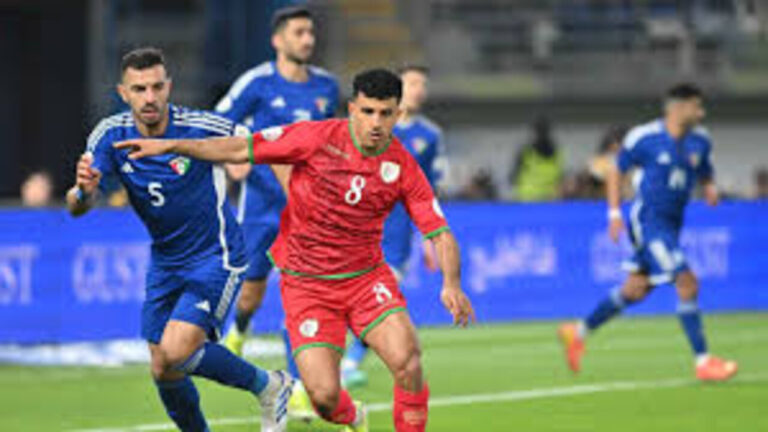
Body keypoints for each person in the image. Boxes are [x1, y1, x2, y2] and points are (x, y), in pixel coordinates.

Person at [115, 68, 476, 432]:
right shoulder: (316, 137)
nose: (376, 123)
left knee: (408, 361)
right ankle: (353, 417)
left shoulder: (403, 166)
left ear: (399, 114)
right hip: (307, 286)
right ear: (353, 108)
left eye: (385, 113)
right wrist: (171, 145)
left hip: (366, 280)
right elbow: (241, 147)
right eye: (368, 111)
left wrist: (452, 284)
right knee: (323, 398)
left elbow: (439, 231)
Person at [67, 47, 292, 432]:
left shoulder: (201, 126)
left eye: (157, 87)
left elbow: (267, 147)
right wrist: (84, 192)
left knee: (177, 351)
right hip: (166, 260)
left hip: (216, 255)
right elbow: (77, 207)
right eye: (139, 89)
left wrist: (296, 201)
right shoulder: (110, 135)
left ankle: (269, 385)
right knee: (162, 368)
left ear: (168, 87)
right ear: (123, 93)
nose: (149, 97)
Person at [558, 83, 738, 381]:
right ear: (678, 108)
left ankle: (577, 332)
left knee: (636, 289)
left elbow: (704, 169)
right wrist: (614, 213)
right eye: (696, 106)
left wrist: (709, 187)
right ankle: (704, 362)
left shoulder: (701, 140)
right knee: (687, 281)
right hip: (649, 222)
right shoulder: (645, 137)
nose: (701, 113)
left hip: (673, 224)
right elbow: (616, 170)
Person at [215, 8, 339, 412]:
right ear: (278, 40)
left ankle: (299, 387)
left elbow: (335, 140)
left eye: (310, 32)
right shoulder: (257, 83)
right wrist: (233, 156)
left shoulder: (327, 87)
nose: (308, 39)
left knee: (299, 297)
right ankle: (240, 329)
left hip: (308, 212)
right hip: (261, 208)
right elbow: (219, 122)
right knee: (251, 292)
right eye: (299, 32)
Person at [341, 65, 447, 388]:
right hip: (357, 224)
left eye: (422, 84)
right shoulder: (368, 125)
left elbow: (429, 190)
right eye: (412, 83)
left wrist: (429, 238)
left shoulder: (430, 136)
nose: (419, 89)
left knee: (381, 297)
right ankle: (325, 357)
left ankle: (349, 362)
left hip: (397, 233)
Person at [509, 115, 563, 201]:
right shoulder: (557, 152)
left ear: (534, 132)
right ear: (549, 132)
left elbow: (512, 178)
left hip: (527, 199)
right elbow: (560, 177)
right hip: (550, 200)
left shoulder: (525, 152)